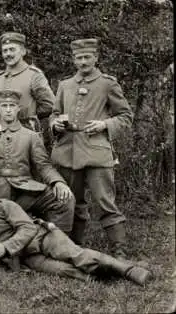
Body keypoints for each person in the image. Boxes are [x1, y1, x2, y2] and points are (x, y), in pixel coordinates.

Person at [0, 173, 150, 286]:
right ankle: (105, 278)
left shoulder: (4, 205)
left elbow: (27, 228)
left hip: (43, 237)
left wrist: (5, 247)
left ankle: (129, 270)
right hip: (27, 257)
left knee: (77, 255)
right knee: (64, 270)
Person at [50, 38, 134, 258]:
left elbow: (126, 116)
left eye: (87, 57)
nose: (83, 62)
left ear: (96, 58)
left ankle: (119, 249)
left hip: (97, 152)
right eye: (79, 58)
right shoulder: (65, 85)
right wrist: (55, 124)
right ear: (73, 59)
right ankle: (74, 246)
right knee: (72, 202)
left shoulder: (107, 83)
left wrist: (104, 124)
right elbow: (54, 113)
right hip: (68, 152)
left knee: (105, 200)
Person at [0, 89, 74, 234]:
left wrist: (58, 182)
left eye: (12, 106)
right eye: (4, 106)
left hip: (26, 191)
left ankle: (59, 241)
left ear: (18, 108)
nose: (8, 110)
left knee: (65, 199)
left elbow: (43, 166)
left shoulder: (31, 136)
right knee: (1, 227)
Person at [0, 32, 54, 133]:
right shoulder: (0, 78)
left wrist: (28, 115)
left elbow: (49, 105)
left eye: (12, 49)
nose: (8, 54)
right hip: (2, 133)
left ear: (23, 51)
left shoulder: (34, 75)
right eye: (5, 51)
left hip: (27, 132)